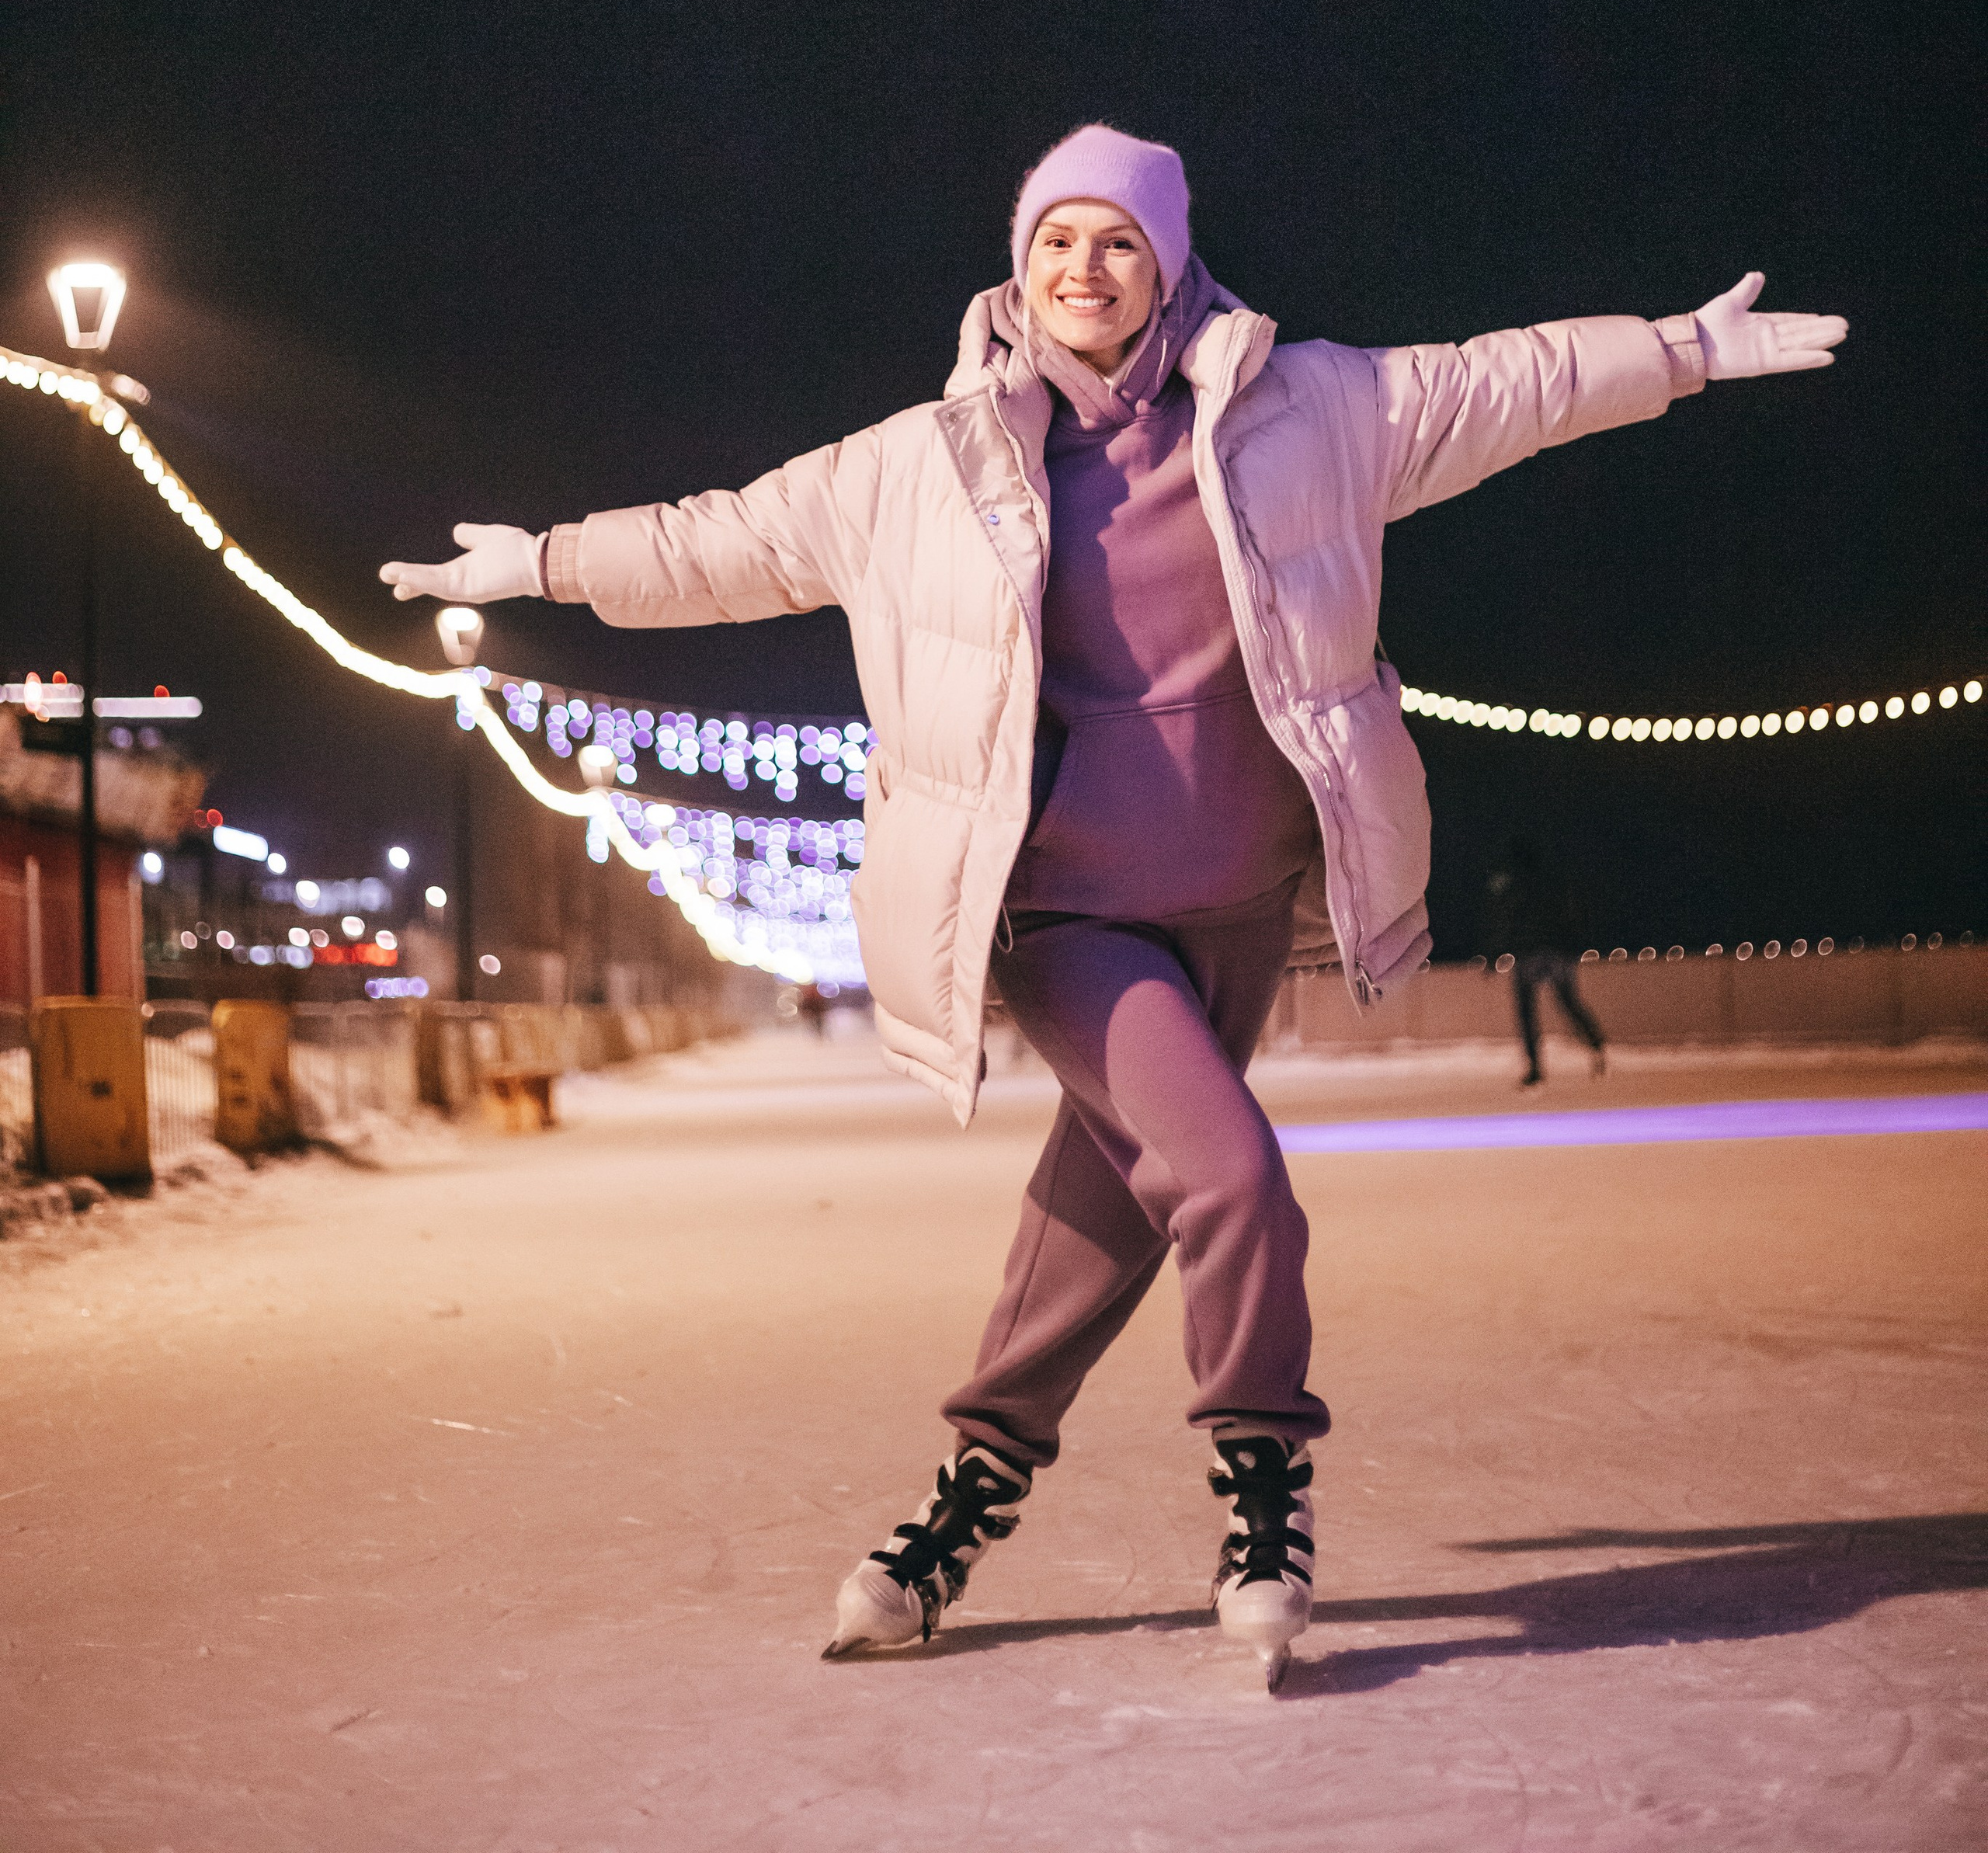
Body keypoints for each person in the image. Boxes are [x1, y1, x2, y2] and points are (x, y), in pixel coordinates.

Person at [381, 123, 1844, 1688]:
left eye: (1119, 243)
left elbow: (1501, 383)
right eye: (1056, 241)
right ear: (1017, 266)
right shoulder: (919, 466)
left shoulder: (1310, 411)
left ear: (1169, 264)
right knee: (1229, 1183)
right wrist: (542, 559)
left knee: (1101, 1217)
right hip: (1061, 917)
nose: (1085, 269)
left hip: (1232, 903)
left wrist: (1676, 350)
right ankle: (1263, 1493)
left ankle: (952, 1510)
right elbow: (722, 540)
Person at [1484, 834, 1608, 1084]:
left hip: (1530, 952)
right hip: (1556, 950)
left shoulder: (1513, 884)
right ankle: (1595, 1043)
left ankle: (1535, 1068)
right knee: (1568, 1002)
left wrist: (1493, 952)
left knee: (1527, 1011)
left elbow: (1503, 918)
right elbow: (1572, 913)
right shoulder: (1553, 881)